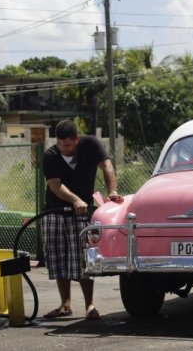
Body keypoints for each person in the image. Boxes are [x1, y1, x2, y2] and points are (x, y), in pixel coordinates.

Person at [41, 119, 123, 321]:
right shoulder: (50, 156)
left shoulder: (91, 145)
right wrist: (75, 199)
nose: (63, 149)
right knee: (58, 257)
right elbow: (55, 185)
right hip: (55, 211)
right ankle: (65, 304)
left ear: (77, 139)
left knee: (84, 258)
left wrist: (112, 191)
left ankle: (90, 305)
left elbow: (107, 167)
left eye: (67, 145)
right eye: (60, 144)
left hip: (82, 213)